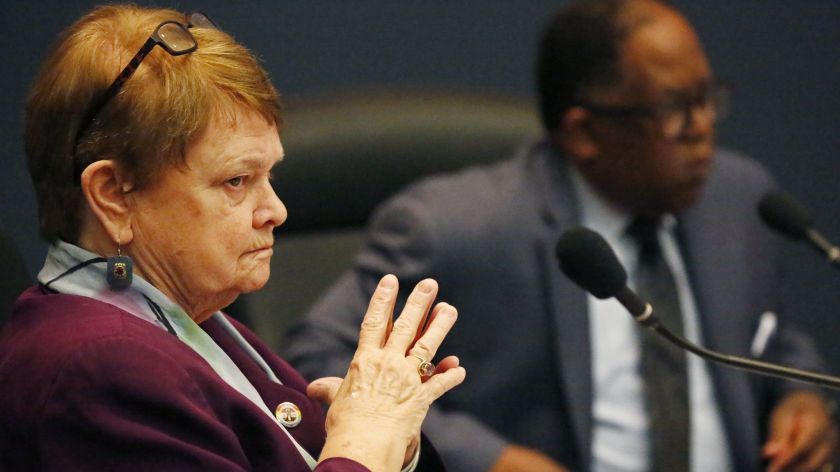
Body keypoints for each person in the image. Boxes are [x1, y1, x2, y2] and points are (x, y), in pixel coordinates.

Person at [283, 0, 838, 471]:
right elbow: (318, 360)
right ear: (584, 132)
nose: (703, 133)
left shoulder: (736, 197)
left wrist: (801, 396)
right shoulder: (458, 226)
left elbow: (770, 334)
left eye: (706, 100)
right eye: (674, 111)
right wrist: (491, 458)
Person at [0, 5, 466, 471]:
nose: (276, 211)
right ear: (114, 195)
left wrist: (392, 438)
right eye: (237, 181)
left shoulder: (192, 317)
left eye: (270, 175)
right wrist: (364, 444)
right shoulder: (97, 370)